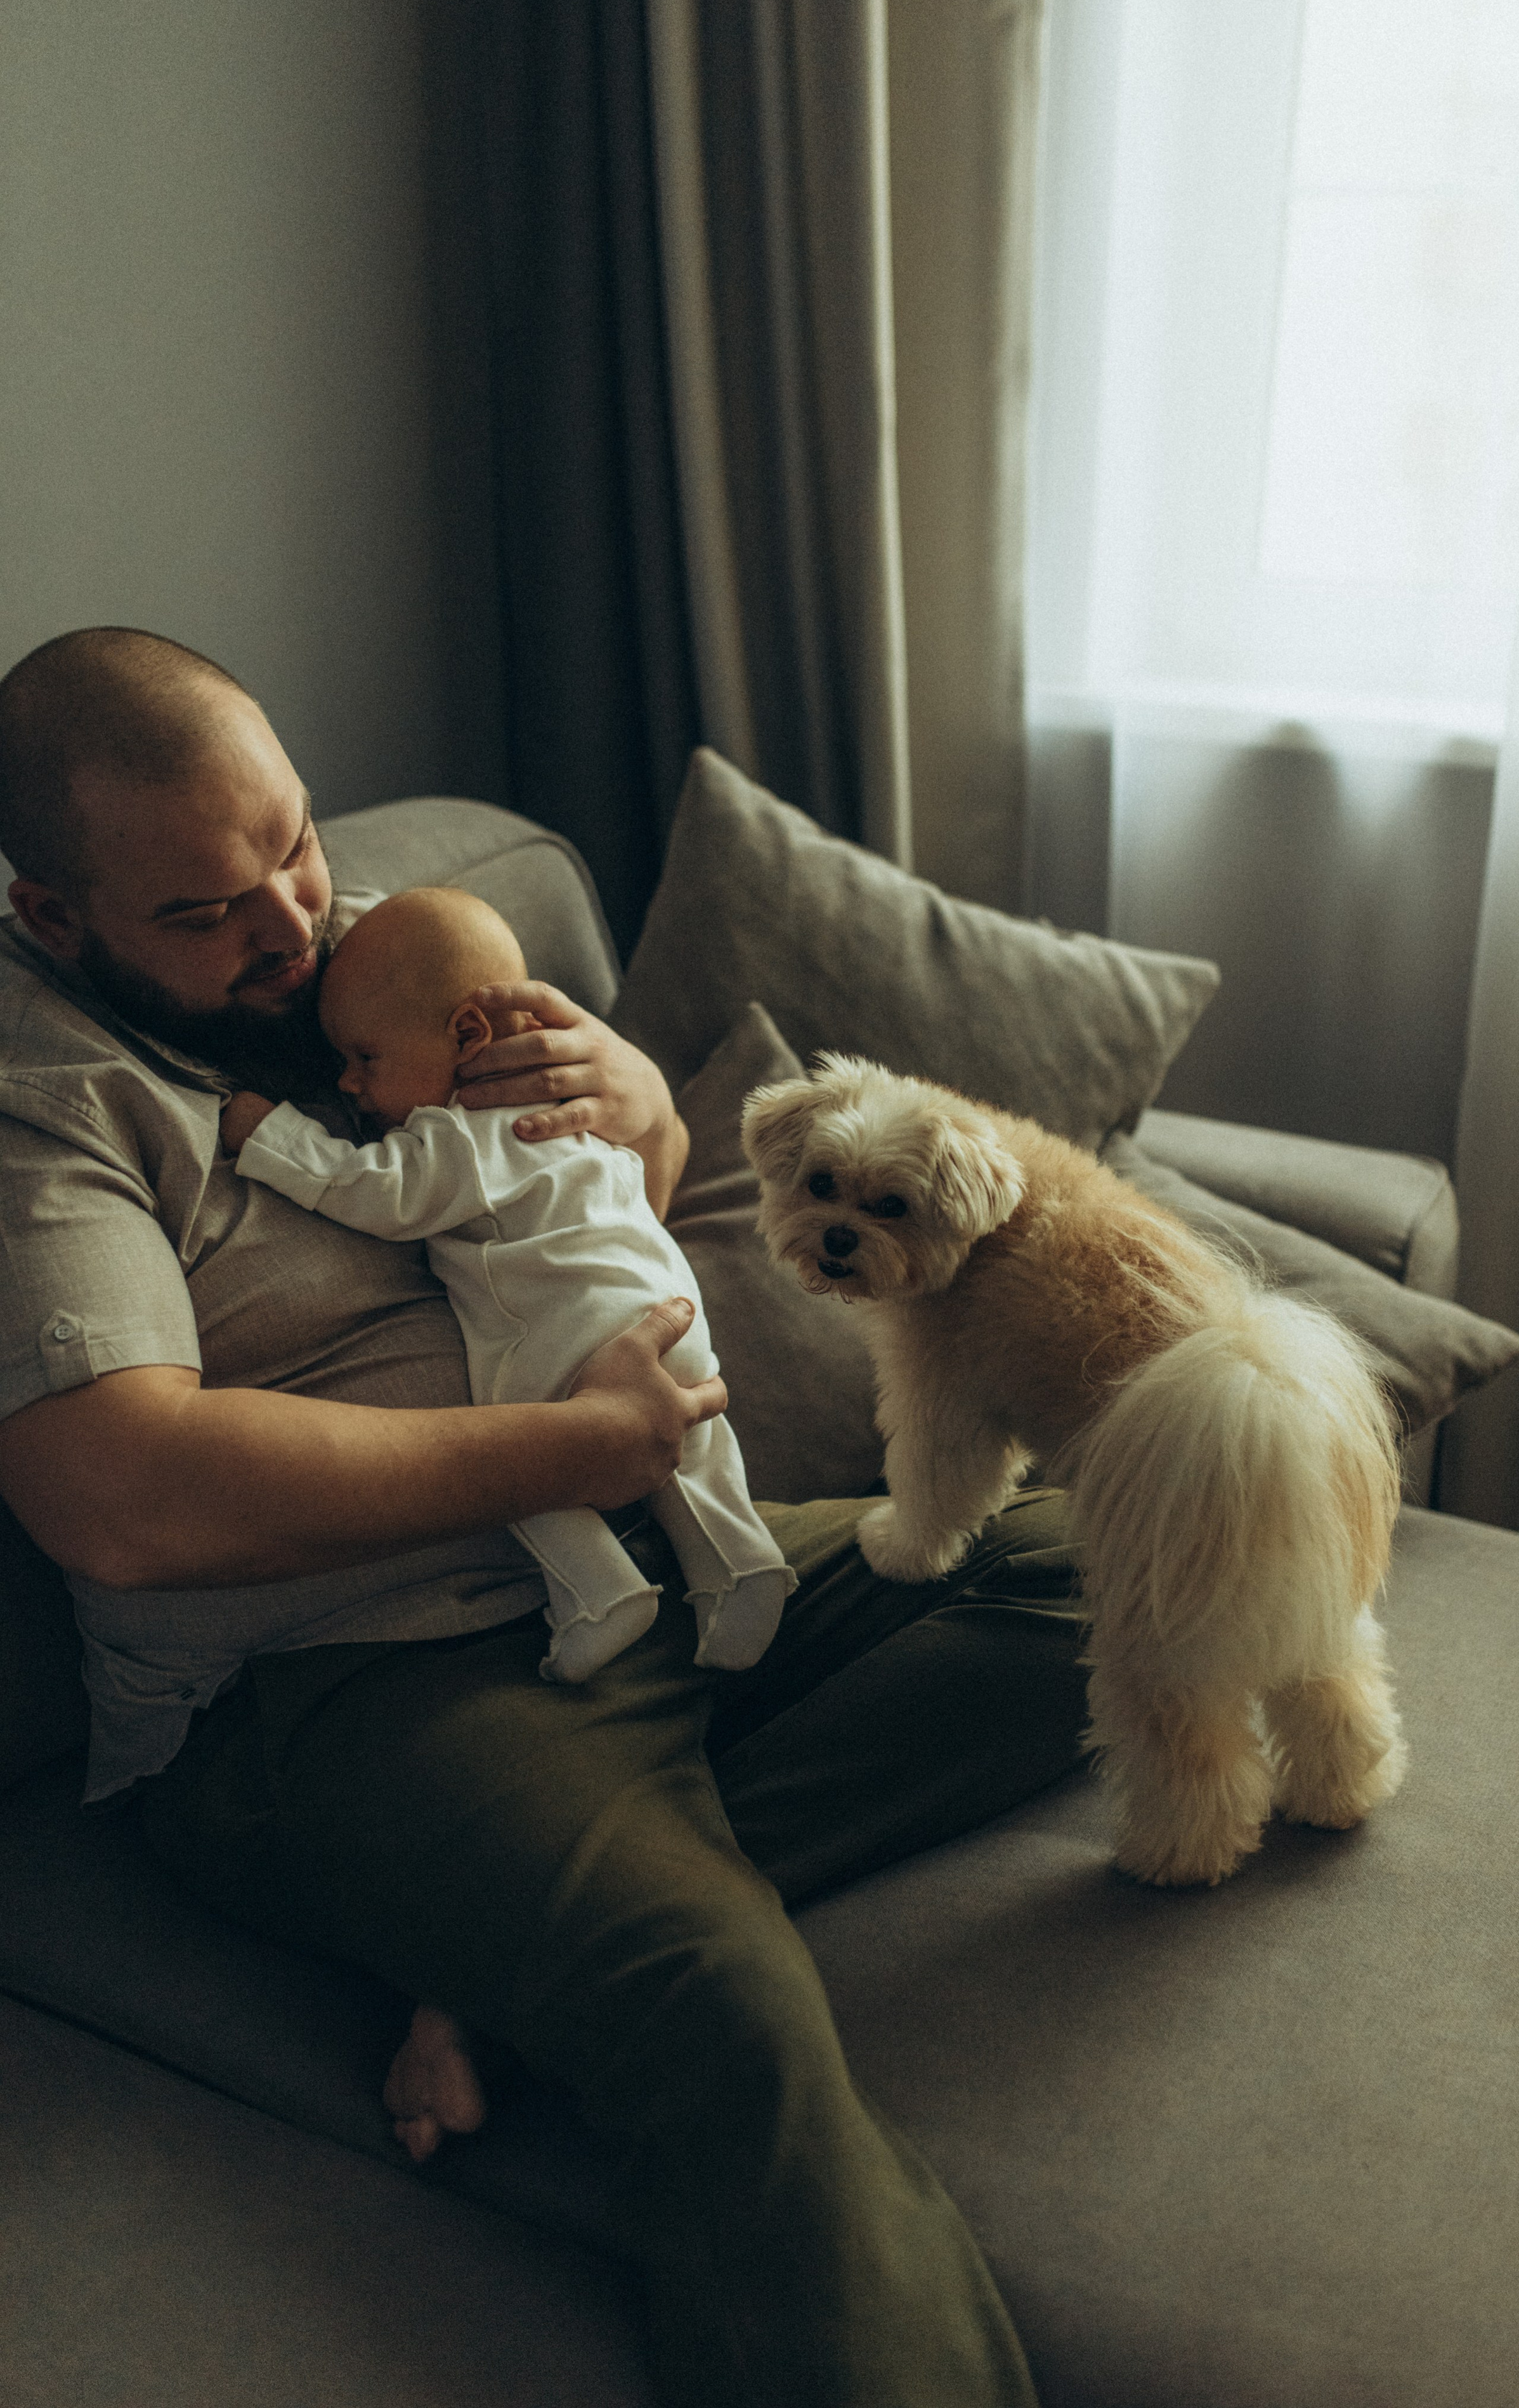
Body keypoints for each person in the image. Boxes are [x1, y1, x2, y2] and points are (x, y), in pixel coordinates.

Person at [0, 626, 1087, 2408]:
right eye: (202, 912)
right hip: (350, 1683)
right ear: (57, 916)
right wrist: (570, 1453)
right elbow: (119, 1495)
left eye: (292, 843)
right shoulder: (47, 1103)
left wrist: (642, 1117)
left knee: (1098, 1564)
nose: (289, 925)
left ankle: (508, 1970)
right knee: (725, 2022)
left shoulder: (389, 954)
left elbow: (571, 1202)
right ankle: (616, 1929)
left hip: (640, 1569)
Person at [221, 882, 795, 1683]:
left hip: (570, 1336)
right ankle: (742, 1567)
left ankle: (599, 1593)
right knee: (697, 1455)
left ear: (466, 1033)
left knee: (520, 1460)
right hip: (670, 1312)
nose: (350, 1085)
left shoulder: (465, 1132)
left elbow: (380, 1191)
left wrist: (274, 1135)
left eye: (365, 1059)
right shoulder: (572, 1120)